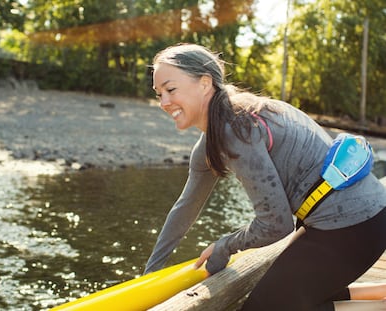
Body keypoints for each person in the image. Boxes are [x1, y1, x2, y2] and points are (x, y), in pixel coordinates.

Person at [144, 43, 386, 310]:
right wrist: (148, 278)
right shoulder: (214, 138)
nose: (164, 102)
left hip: (354, 228)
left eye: (170, 89)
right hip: (359, 222)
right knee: (288, 293)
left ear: (204, 83)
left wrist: (225, 246)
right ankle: (378, 292)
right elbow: (185, 209)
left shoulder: (235, 128)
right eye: (158, 94)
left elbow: (275, 223)